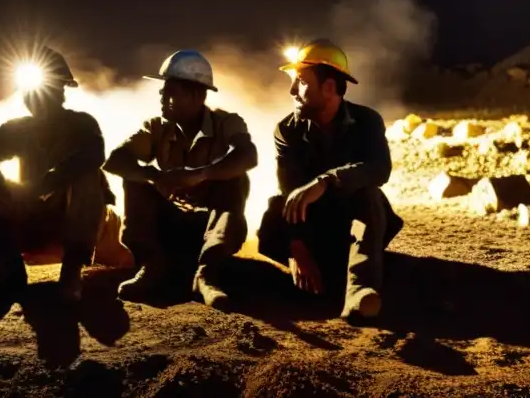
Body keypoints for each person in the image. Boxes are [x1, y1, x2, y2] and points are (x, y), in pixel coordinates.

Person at [257, 39, 403, 323]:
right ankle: (323, 272)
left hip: (353, 220)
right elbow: (291, 193)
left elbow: (378, 169)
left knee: (369, 196)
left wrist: (326, 181)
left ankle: (360, 291)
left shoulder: (367, 121)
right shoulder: (287, 130)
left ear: (328, 87)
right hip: (311, 226)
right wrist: (297, 249)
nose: (291, 91)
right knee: (278, 207)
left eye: (300, 81)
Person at [103, 50, 257, 309]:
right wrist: (154, 176)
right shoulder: (156, 127)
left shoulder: (226, 123)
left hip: (211, 227)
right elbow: (117, 159)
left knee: (236, 180)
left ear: (197, 95)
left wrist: (199, 174)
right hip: (170, 226)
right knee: (135, 180)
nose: (162, 96)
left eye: (171, 90)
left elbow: (248, 155)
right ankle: (151, 266)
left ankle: (206, 274)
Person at [0, 47, 118, 302]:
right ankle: (8, 266)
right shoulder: (18, 129)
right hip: (31, 219)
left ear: (60, 91)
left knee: (89, 176)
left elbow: (94, 154)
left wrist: (48, 182)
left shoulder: (82, 124)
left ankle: (72, 272)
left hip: (73, 225)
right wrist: (4, 190)